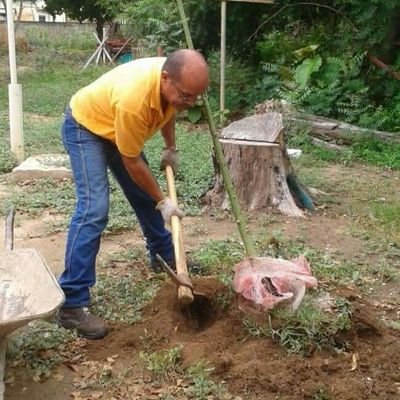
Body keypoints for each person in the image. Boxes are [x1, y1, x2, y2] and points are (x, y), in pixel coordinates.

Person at [56, 49, 209, 339]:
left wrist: (170, 147)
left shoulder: (169, 85)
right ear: (166, 78)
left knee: (143, 196)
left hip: (117, 127)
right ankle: (72, 304)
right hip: (86, 128)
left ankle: (163, 256)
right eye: (186, 96)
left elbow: (170, 109)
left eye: (195, 98)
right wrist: (163, 201)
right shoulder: (134, 100)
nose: (189, 104)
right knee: (94, 209)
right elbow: (132, 161)